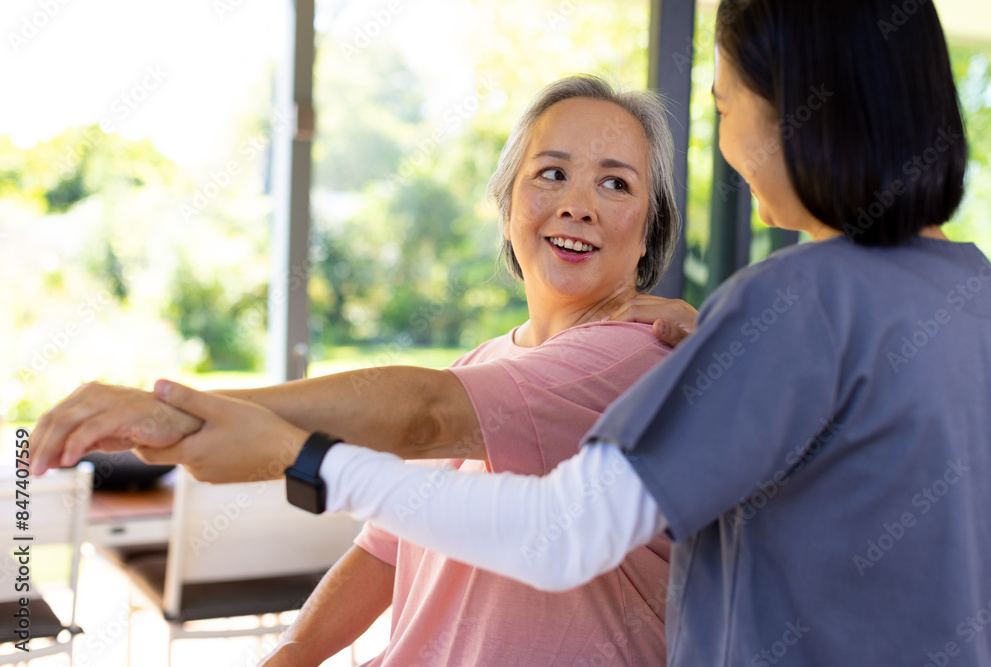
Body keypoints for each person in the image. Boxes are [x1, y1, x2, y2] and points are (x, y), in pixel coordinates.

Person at [36, 1, 991, 665]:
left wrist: (281, 445)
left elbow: (525, 504)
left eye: (722, 105)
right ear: (504, 205)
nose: (729, 141)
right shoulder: (971, 293)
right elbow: (393, 538)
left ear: (794, 106)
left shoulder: (770, 311)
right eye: (550, 173)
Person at [32, 76, 702, 665]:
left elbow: (422, 412)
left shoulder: (637, 352)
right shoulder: (483, 363)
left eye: (615, 183)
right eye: (551, 173)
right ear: (505, 206)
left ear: (649, 232)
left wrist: (184, 411)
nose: (578, 202)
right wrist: (294, 653)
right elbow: (384, 549)